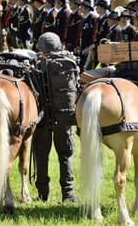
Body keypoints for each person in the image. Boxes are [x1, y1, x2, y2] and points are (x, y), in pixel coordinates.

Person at [33, 32, 77, 203]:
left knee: (41, 155)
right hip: (64, 118)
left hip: (42, 119)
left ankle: (42, 194)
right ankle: (68, 194)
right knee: (65, 155)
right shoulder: (69, 63)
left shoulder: (37, 64)